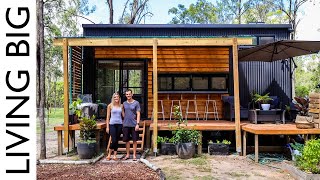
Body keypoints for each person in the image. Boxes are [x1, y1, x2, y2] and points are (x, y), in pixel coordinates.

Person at [122, 89, 141, 161]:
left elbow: (138, 114)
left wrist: (137, 124)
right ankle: (127, 154)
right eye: (127, 94)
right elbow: (123, 112)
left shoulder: (136, 103)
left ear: (132, 94)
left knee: (134, 140)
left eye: (129, 94)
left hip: (134, 124)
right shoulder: (124, 103)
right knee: (127, 140)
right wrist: (124, 118)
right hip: (126, 124)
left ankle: (134, 155)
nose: (128, 95)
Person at [106, 92, 124, 161]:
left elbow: (124, 115)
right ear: (113, 98)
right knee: (114, 140)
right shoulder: (110, 106)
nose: (116, 98)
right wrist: (107, 127)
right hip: (112, 124)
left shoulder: (121, 106)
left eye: (117, 97)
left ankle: (114, 155)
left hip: (119, 124)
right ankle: (109, 154)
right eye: (115, 97)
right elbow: (107, 117)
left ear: (119, 98)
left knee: (117, 140)